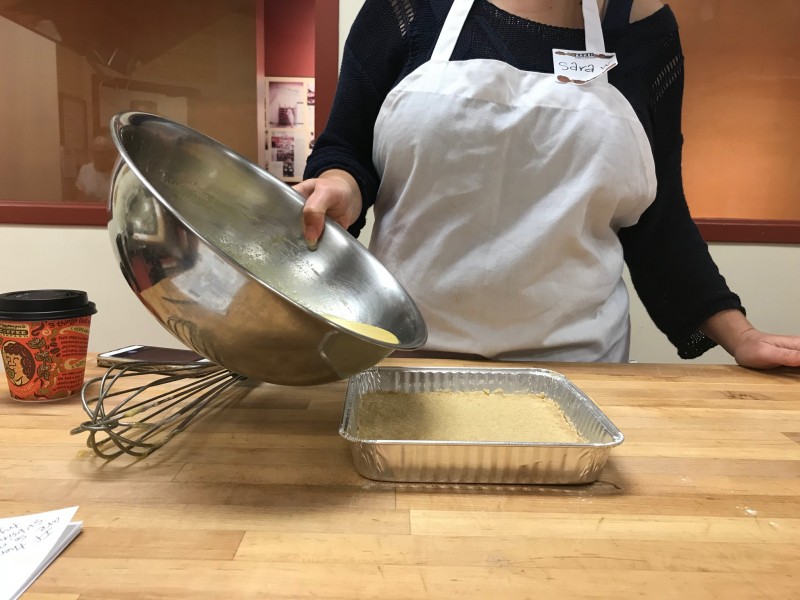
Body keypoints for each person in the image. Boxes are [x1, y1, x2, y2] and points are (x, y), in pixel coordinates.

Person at [296, 0, 800, 369]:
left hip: (578, 369)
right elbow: (347, 148)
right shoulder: (408, 8)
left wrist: (742, 335)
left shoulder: (646, 32)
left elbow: (658, 218)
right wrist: (341, 183)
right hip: (404, 355)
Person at [75, 133, 116, 202]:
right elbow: (79, 198)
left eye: (103, 153)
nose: (99, 157)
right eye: (96, 152)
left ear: (110, 154)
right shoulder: (85, 170)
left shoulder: (117, 173)